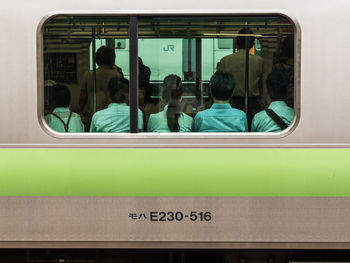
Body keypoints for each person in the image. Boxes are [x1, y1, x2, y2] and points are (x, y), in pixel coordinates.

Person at [217, 28, 263, 125]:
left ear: (236, 42)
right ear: (252, 44)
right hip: (253, 104)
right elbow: (261, 83)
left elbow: (219, 83)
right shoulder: (259, 61)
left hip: (232, 103)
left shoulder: (225, 60)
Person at [79, 46, 122, 129]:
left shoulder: (88, 75)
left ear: (96, 59)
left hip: (92, 116)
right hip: (111, 118)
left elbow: (82, 98)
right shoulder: (117, 75)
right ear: (112, 59)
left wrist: (80, 111)